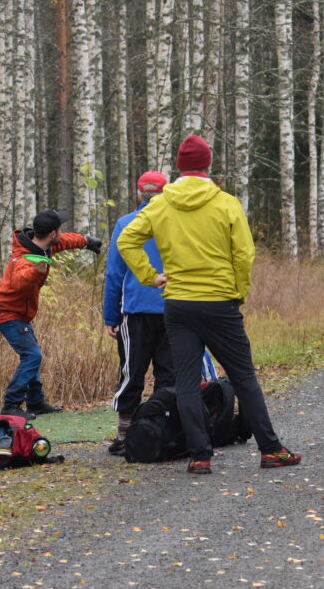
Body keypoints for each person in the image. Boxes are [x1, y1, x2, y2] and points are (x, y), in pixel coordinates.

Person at [117, 134, 301, 476]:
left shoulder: (160, 203)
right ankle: (271, 450)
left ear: (179, 167)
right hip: (219, 303)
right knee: (243, 376)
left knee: (186, 380)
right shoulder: (225, 203)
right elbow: (244, 255)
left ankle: (200, 456)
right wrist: (237, 292)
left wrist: (150, 276)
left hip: (178, 304)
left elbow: (126, 239)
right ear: (208, 164)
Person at [0, 209, 101, 417]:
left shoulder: (44, 246)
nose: (61, 232)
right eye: (59, 229)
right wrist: (35, 272)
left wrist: (86, 241)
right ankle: (11, 405)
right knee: (32, 356)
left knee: (31, 354)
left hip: (19, 314)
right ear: (52, 233)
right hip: (6, 314)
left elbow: (66, 241)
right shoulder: (23, 258)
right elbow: (18, 282)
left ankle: (36, 403)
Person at [103, 171, 175, 455]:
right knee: (169, 374)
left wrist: (110, 316)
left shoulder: (125, 224)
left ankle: (125, 434)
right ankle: (164, 428)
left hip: (134, 312)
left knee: (131, 372)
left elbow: (114, 274)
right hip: (174, 306)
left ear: (138, 195)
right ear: (166, 192)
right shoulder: (175, 223)